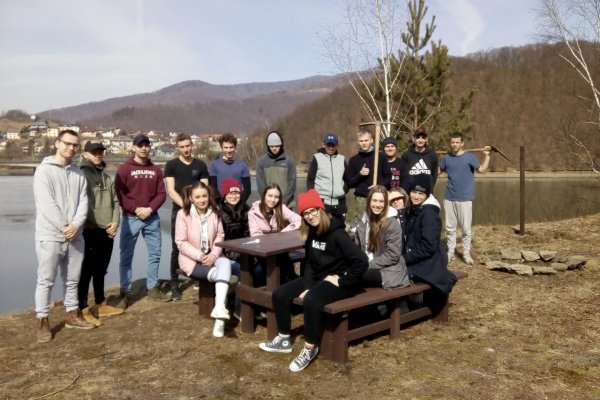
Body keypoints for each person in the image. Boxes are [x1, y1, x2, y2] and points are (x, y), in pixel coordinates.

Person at [258, 189, 368, 372]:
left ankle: (310, 347)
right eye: (305, 213)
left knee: (311, 300)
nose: (310, 216)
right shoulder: (310, 233)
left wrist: (344, 281)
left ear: (321, 210)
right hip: (318, 278)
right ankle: (284, 338)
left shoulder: (337, 233)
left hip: (340, 281)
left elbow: (361, 261)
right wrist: (308, 285)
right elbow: (308, 263)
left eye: (313, 211)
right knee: (279, 294)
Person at [33, 129, 95, 343]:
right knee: (46, 280)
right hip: (50, 235)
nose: (71, 148)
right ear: (57, 143)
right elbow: (46, 204)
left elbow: (83, 203)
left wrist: (76, 225)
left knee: (72, 280)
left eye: (75, 145)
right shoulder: (43, 171)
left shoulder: (79, 174)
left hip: (76, 236)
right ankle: (42, 320)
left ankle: (72, 314)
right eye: (67, 143)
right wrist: (64, 226)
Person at [115, 134, 168, 304]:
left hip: (152, 218)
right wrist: (136, 209)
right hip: (131, 218)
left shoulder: (156, 170)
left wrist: (150, 209)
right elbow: (120, 194)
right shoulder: (124, 169)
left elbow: (161, 194)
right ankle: (125, 291)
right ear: (133, 147)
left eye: (146, 145)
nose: (144, 148)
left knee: (155, 253)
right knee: (126, 256)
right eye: (140, 145)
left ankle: (152, 287)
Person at [175, 182, 233, 338]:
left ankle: (219, 309)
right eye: (198, 197)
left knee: (225, 263)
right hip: (192, 261)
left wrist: (214, 254)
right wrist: (200, 256)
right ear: (192, 199)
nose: (202, 200)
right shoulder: (183, 214)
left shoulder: (215, 212)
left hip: (213, 256)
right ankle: (219, 321)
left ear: (209, 196)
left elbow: (220, 235)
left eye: (204, 196)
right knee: (223, 276)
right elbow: (180, 242)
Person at [77, 140, 124, 327]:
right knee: (86, 271)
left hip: (107, 230)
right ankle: (82, 308)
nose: (98, 155)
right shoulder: (80, 175)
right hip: (89, 230)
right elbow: (83, 206)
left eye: (100, 152)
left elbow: (115, 202)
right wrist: (103, 224)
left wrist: (115, 222)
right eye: (94, 152)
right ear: (85, 154)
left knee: (101, 269)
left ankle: (100, 303)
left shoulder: (106, 177)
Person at [164, 133, 209, 300]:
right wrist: (186, 206)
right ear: (178, 148)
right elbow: (171, 190)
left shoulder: (201, 164)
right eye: (182, 147)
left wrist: (197, 206)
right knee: (177, 247)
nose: (185, 149)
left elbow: (205, 189)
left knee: (199, 244)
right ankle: (175, 283)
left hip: (199, 211)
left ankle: (198, 277)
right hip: (180, 211)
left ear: (192, 145)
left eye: (188, 146)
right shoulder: (171, 165)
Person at [438, 132, 491, 265]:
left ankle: (466, 253)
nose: (454, 145)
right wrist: (429, 157)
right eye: (452, 142)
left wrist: (487, 156)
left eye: (457, 142)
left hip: (465, 198)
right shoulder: (447, 158)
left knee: (466, 229)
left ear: (462, 143)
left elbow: (482, 170)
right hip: (449, 197)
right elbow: (436, 171)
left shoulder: (470, 157)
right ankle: (450, 251)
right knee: (450, 228)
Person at [403, 175, 456, 299]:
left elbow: (428, 247)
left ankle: (405, 308)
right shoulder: (415, 209)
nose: (416, 196)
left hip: (428, 265)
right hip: (419, 261)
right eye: (414, 192)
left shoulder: (429, 214)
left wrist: (404, 259)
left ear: (427, 195)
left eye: (421, 193)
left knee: (390, 275)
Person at [355, 186, 410, 290]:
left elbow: (393, 255)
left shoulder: (392, 223)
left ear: (385, 204)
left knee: (356, 276)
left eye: (381, 201)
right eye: (374, 200)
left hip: (389, 270)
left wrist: (367, 265)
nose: (377, 205)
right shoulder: (364, 219)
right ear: (369, 201)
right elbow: (357, 247)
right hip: (367, 264)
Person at [248, 183, 301, 285]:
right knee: (263, 270)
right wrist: (274, 240)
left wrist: (284, 232)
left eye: (276, 197)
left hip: (279, 250)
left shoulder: (281, 208)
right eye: (270, 196)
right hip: (262, 252)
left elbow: (298, 219)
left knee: (286, 264)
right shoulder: (253, 212)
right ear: (264, 195)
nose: (273, 200)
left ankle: (291, 288)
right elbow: (255, 236)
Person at [345, 130, 385, 220]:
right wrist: (360, 174)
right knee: (362, 224)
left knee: (379, 223)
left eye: (366, 140)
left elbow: (388, 176)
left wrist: (379, 185)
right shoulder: (353, 160)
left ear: (371, 140)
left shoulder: (381, 157)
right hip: (361, 198)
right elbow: (350, 183)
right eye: (361, 141)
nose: (364, 143)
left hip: (379, 196)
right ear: (358, 142)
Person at [306, 133, 348, 216]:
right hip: (321, 202)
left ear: (337, 145)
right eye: (328, 145)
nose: (331, 148)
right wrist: (313, 196)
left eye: (333, 145)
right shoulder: (317, 158)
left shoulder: (342, 159)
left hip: (340, 204)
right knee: (322, 228)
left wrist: (343, 190)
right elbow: (310, 179)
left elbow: (347, 179)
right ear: (323, 144)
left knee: (339, 228)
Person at [255, 130, 297, 207]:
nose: (274, 148)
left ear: (281, 145)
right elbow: (260, 185)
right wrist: (268, 200)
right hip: (268, 204)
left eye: (277, 146)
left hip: (286, 204)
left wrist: (284, 201)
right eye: (272, 146)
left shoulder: (289, 161)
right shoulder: (261, 162)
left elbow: (292, 184)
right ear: (268, 146)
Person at [208, 133, 251, 204]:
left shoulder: (243, 165)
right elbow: (213, 188)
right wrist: (221, 203)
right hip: (220, 204)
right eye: (226, 147)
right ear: (221, 148)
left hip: (238, 204)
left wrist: (240, 203)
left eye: (231, 147)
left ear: (235, 147)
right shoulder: (214, 164)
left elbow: (247, 189)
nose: (229, 150)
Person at [399, 127, 439, 192]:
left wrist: (430, 187)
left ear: (426, 139)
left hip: (426, 192)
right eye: (418, 137)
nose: (420, 140)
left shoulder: (432, 155)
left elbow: (434, 174)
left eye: (423, 138)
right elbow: (403, 176)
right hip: (410, 192)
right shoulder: (406, 155)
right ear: (413, 139)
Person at [388, 187, 411, 254]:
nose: (395, 201)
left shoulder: (411, 214)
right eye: (392, 200)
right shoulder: (389, 216)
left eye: (398, 198)